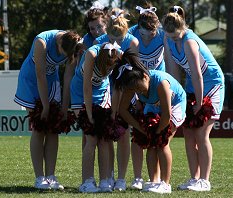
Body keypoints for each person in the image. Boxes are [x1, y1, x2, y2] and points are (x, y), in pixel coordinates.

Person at [162, 6, 225, 192]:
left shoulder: (189, 41)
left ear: (182, 28)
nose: (173, 39)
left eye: (175, 36)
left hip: (211, 84)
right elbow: (173, 72)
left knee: (201, 133)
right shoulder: (168, 39)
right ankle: (194, 178)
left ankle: (205, 180)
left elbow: (198, 74)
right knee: (188, 133)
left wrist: (198, 103)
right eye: (169, 36)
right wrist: (175, 97)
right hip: (192, 85)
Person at [111, 49, 186, 194]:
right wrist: (141, 128)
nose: (139, 91)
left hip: (175, 105)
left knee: (162, 143)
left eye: (139, 88)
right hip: (153, 106)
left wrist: (157, 132)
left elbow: (167, 114)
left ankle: (166, 183)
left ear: (146, 77)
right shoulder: (132, 84)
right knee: (151, 145)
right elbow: (123, 111)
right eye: (134, 90)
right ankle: (154, 181)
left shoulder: (161, 84)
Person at [14, 30, 82, 190]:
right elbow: (40, 76)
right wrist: (45, 106)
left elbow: (68, 76)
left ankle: (51, 176)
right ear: (59, 44)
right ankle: (39, 178)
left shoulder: (75, 44)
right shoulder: (41, 42)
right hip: (31, 81)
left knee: (53, 130)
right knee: (39, 128)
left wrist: (65, 108)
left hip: (52, 82)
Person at [94, 7, 139, 191]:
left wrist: (118, 107)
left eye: (119, 40)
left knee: (123, 133)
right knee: (106, 135)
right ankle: (108, 175)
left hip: (126, 88)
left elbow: (128, 75)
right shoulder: (99, 42)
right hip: (104, 91)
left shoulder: (132, 42)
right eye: (112, 39)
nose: (115, 43)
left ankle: (121, 178)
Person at [70, 42, 122, 193]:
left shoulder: (117, 53)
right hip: (81, 93)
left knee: (104, 139)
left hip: (101, 94)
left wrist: (113, 111)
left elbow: (118, 84)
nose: (109, 70)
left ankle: (105, 180)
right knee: (91, 137)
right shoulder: (91, 55)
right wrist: (89, 115)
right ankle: (87, 181)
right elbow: (86, 87)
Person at [127, 2, 165, 190]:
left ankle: (155, 179)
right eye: (143, 34)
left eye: (151, 34)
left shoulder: (164, 34)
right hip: (136, 86)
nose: (147, 38)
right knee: (137, 134)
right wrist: (136, 97)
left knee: (157, 134)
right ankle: (137, 178)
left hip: (157, 87)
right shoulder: (132, 33)